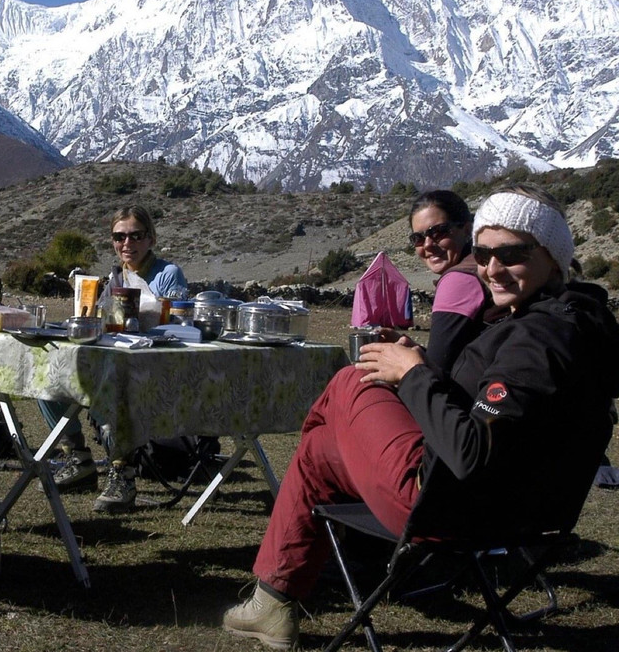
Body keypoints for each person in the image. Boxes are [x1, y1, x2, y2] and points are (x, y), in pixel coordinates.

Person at [223, 183, 619, 649]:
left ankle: (288, 591)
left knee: (350, 381)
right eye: (483, 254)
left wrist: (412, 375)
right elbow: (504, 418)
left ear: (553, 256)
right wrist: (424, 368)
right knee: (320, 449)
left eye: (512, 254)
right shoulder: (573, 322)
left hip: (447, 509)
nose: (492, 269)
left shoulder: (537, 340)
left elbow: (472, 454)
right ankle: (271, 601)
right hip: (530, 514)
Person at [39, 204, 188, 513]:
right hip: (111, 360)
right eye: (119, 237)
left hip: (152, 368)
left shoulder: (167, 274)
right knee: (47, 376)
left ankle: (122, 473)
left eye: (136, 236)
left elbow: (176, 326)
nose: (127, 243)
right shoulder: (116, 276)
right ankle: (77, 457)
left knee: (115, 389)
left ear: (151, 239)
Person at [405, 190, 491, 372]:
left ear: (467, 230)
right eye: (418, 238)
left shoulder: (458, 279)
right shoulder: (481, 265)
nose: (427, 245)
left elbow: (435, 370)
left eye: (438, 232)